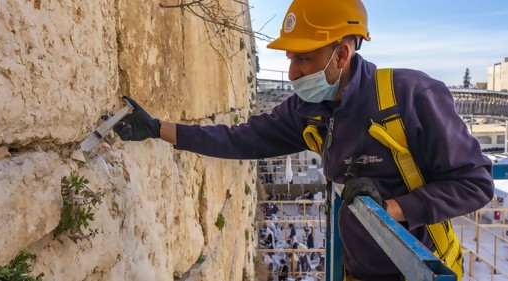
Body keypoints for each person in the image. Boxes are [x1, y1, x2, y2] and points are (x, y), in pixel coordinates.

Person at [113, 0, 494, 279]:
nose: (293, 73)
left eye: (304, 60)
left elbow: (475, 184)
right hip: (357, 271)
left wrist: (392, 208)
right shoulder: (307, 111)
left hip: (420, 268)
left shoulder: (410, 96)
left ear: (341, 54)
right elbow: (240, 139)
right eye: (291, 59)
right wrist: (159, 129)